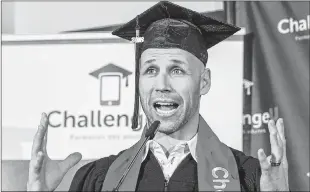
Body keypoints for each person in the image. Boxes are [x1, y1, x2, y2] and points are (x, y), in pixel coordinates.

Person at [26, 1, 289, 191]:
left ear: (204, 81)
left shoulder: (249, 177)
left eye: (177, 69)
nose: (161, 84)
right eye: (150, 69)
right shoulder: (98, 179)